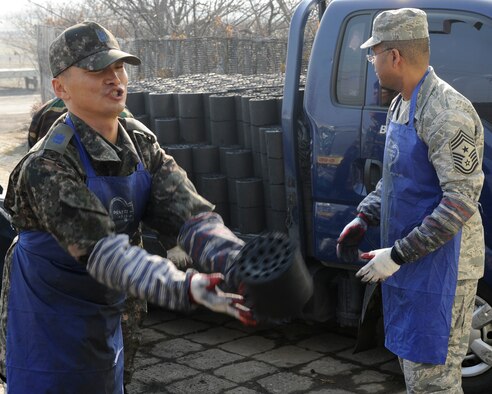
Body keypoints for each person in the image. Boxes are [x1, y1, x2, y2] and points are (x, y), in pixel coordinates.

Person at [0, 21, 254, 394]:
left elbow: (190, 214)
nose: (114, 78)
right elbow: (104, 252)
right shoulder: (48, 164)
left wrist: (238, 262)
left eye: (118, 67)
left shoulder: (138, 143)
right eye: (96, 70)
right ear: (60, 88)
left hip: (107, 309)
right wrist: (185, 287)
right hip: (47, 318)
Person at [336, 8, 484, 393]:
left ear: (394, 56)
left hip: (445, 270)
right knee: (417, 375)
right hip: (414, 262)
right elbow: (396, 176)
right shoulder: (403, 104)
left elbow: (460, 203)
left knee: (434, 381)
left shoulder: (446, 111)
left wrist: (397, 255)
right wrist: (365, 216)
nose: (372, 62)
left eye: (374, 54)